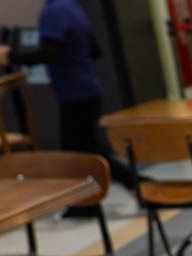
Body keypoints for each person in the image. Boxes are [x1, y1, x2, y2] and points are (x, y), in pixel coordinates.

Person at [0, 0, 138, 200]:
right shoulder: (72, 8)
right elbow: (94, 50)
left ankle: (102, 196)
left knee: (79, 155)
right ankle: (119, 189)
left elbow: (49, 52)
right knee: (88, 150)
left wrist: (10, 55)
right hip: (86, 87)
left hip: (75, 92)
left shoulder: (54, 11)